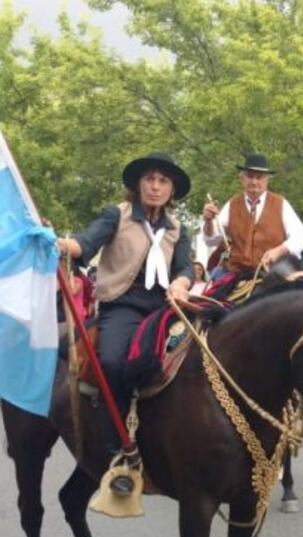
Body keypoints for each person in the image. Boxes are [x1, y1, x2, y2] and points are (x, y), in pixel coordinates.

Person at [55, 152, 194, 495]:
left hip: (165, 304)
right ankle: (119, 450)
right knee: (112, 362)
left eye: (163, 181)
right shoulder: (117, 215)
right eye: (150, 179)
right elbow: (83, 244)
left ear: (171, 189)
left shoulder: (177, 228)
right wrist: (57, 242)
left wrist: (181, 283)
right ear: (138, 184)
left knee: (203, 350)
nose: (155, 186)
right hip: (123, 303)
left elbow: (185, 268)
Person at [201, 153, 303, 272]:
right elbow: (211, 240)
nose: (254, 181)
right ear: (242, 179)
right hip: (238, 272)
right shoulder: (232, 204)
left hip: (275, 271)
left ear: (267, 180)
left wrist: (279, 250)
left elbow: (299, 236)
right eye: (250, 176)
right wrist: (208, 221)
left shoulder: (281, 204)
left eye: (259, 177)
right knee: (214, 289)